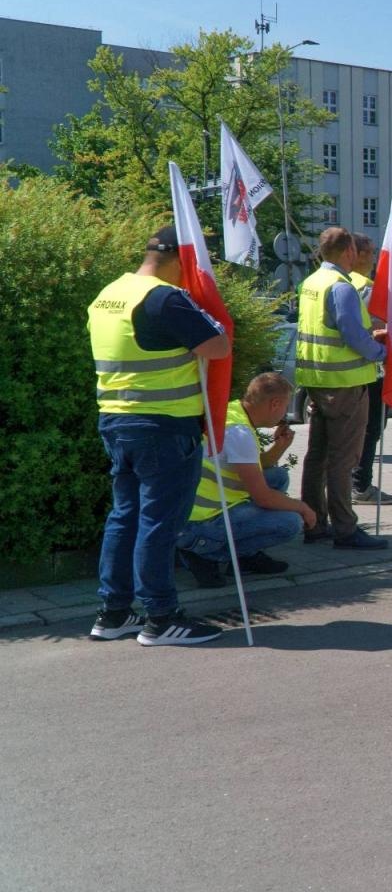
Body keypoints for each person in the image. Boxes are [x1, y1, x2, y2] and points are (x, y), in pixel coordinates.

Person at [86, 225, 231, 645]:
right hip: (164, 425)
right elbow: (218, 346)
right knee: (159, 523)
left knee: (124, 517)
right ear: (181, 259)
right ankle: (161, 616)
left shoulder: (108, 294)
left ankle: (114, 613)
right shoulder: (164, 297)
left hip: (116, 420)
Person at [295, 227, 389, 549]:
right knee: (342, 459)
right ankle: (345, 528)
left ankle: (314, 522)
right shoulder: (341, 287)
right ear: (349, 251)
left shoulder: (310, 283)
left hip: (317, 381)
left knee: (316, 456)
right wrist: (380, 351)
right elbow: (352, 335)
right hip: (345, 384)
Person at [177, 371, 317, 584]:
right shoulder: (239, 433)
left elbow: (255, 467)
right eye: (285, 406)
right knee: (290, 523)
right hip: (200, 521)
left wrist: (279, 447)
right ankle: (204, 552)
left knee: (277, 477)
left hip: (198, 507)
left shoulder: (234, 411)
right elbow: (263, 497)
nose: (285, 413)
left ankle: (244, 558)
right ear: (275, 404)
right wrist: (303, 507)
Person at [347, 234, 392, 506]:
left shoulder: (327, 282)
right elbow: (375, 330)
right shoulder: (366, 288)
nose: (375, 258)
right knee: (370, 430)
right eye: (372, 252)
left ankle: (347, 484)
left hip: (334, 374)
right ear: (359, 254)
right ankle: (360, 485)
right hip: (368, 372)